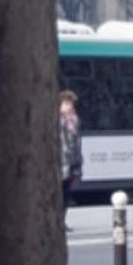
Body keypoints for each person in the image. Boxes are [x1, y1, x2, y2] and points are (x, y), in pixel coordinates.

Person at [59, 90, 82, 229]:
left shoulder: (74, 120)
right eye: (67, 104)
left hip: (72, 162)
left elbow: (76, 142)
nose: (70, 107)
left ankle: (62, 220)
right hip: (62, 162)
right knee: (61, 193)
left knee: (66, 194)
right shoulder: (59, 121)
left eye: (72, 104)